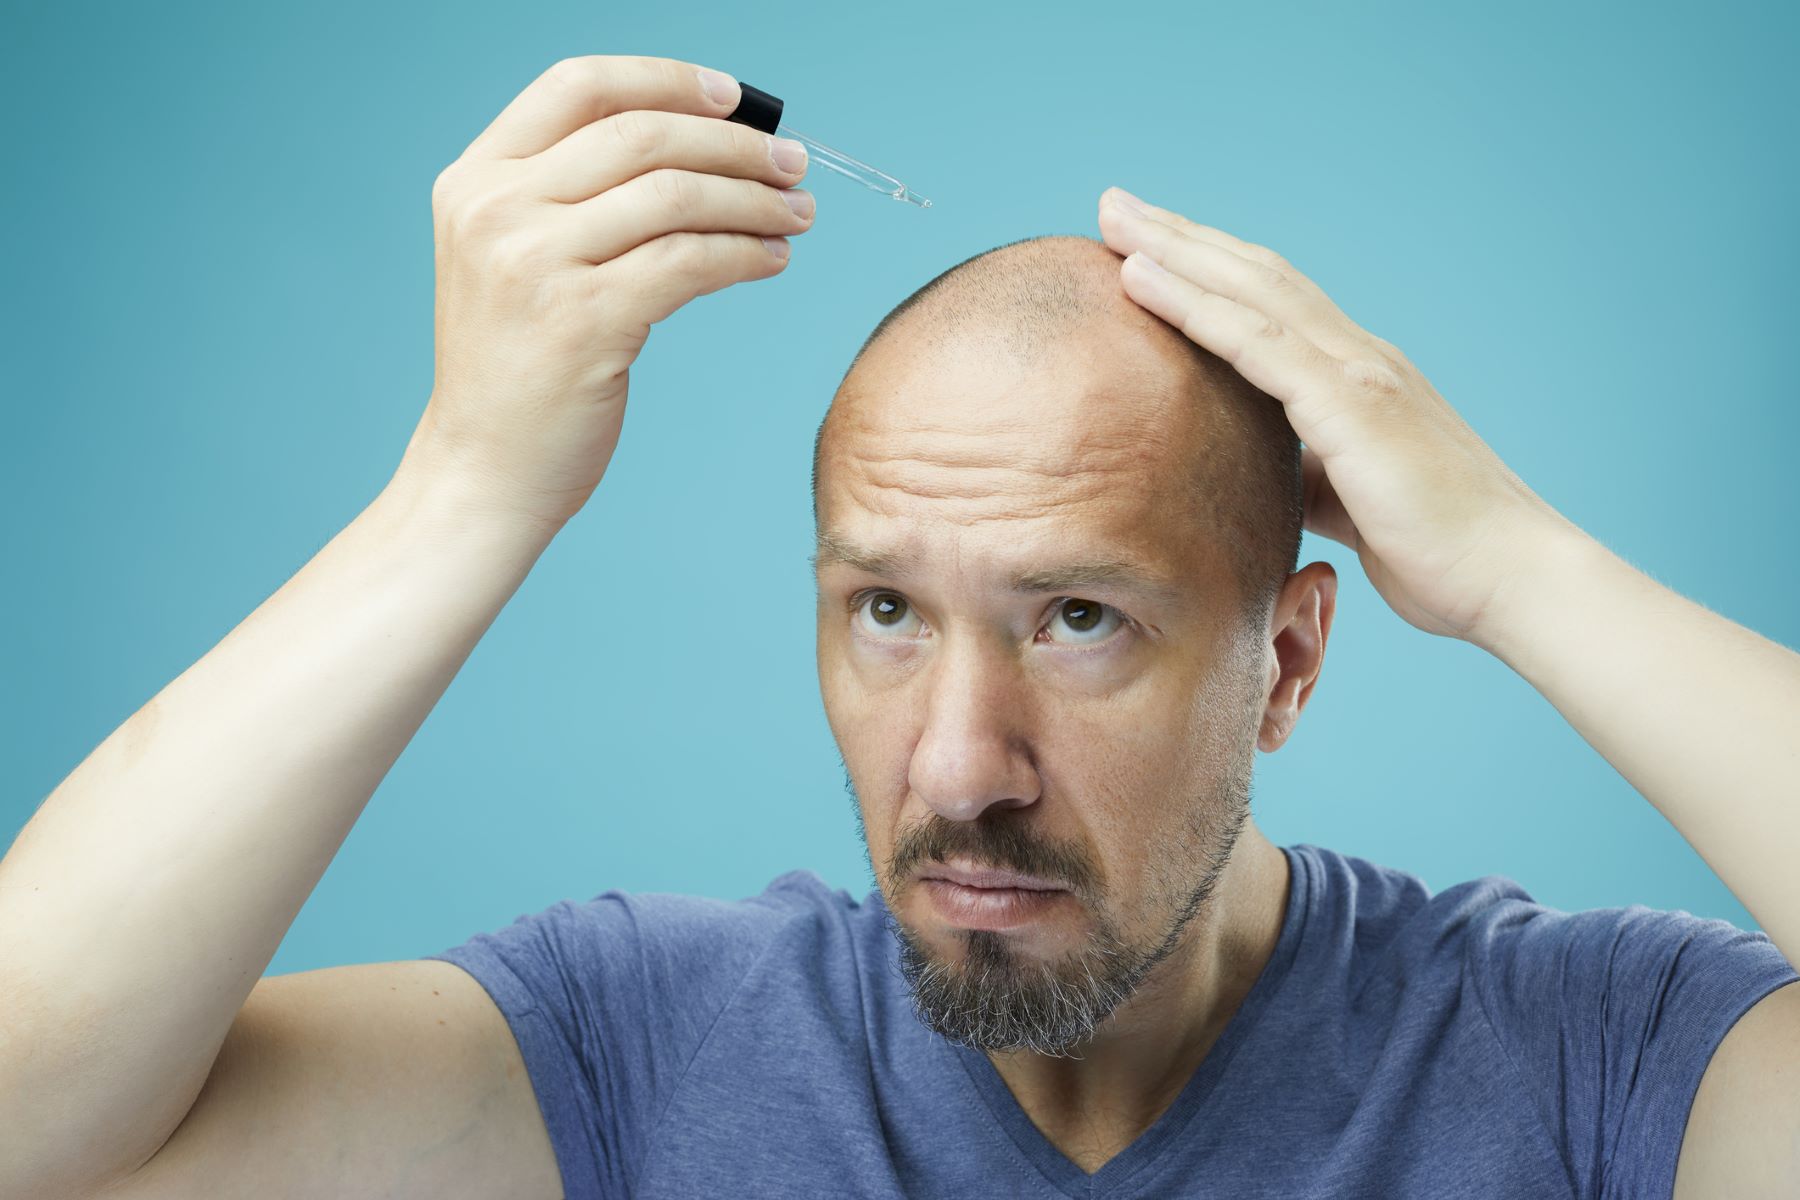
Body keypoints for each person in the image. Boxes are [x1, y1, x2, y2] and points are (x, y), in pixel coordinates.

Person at [2, 51, 1795, 1200]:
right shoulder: (641, 1052)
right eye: (883, 609)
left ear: (1291, 663)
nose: (957, 765)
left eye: (1079, 617)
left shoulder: (1588, 1061)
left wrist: (1516, 566)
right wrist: (465, 487)